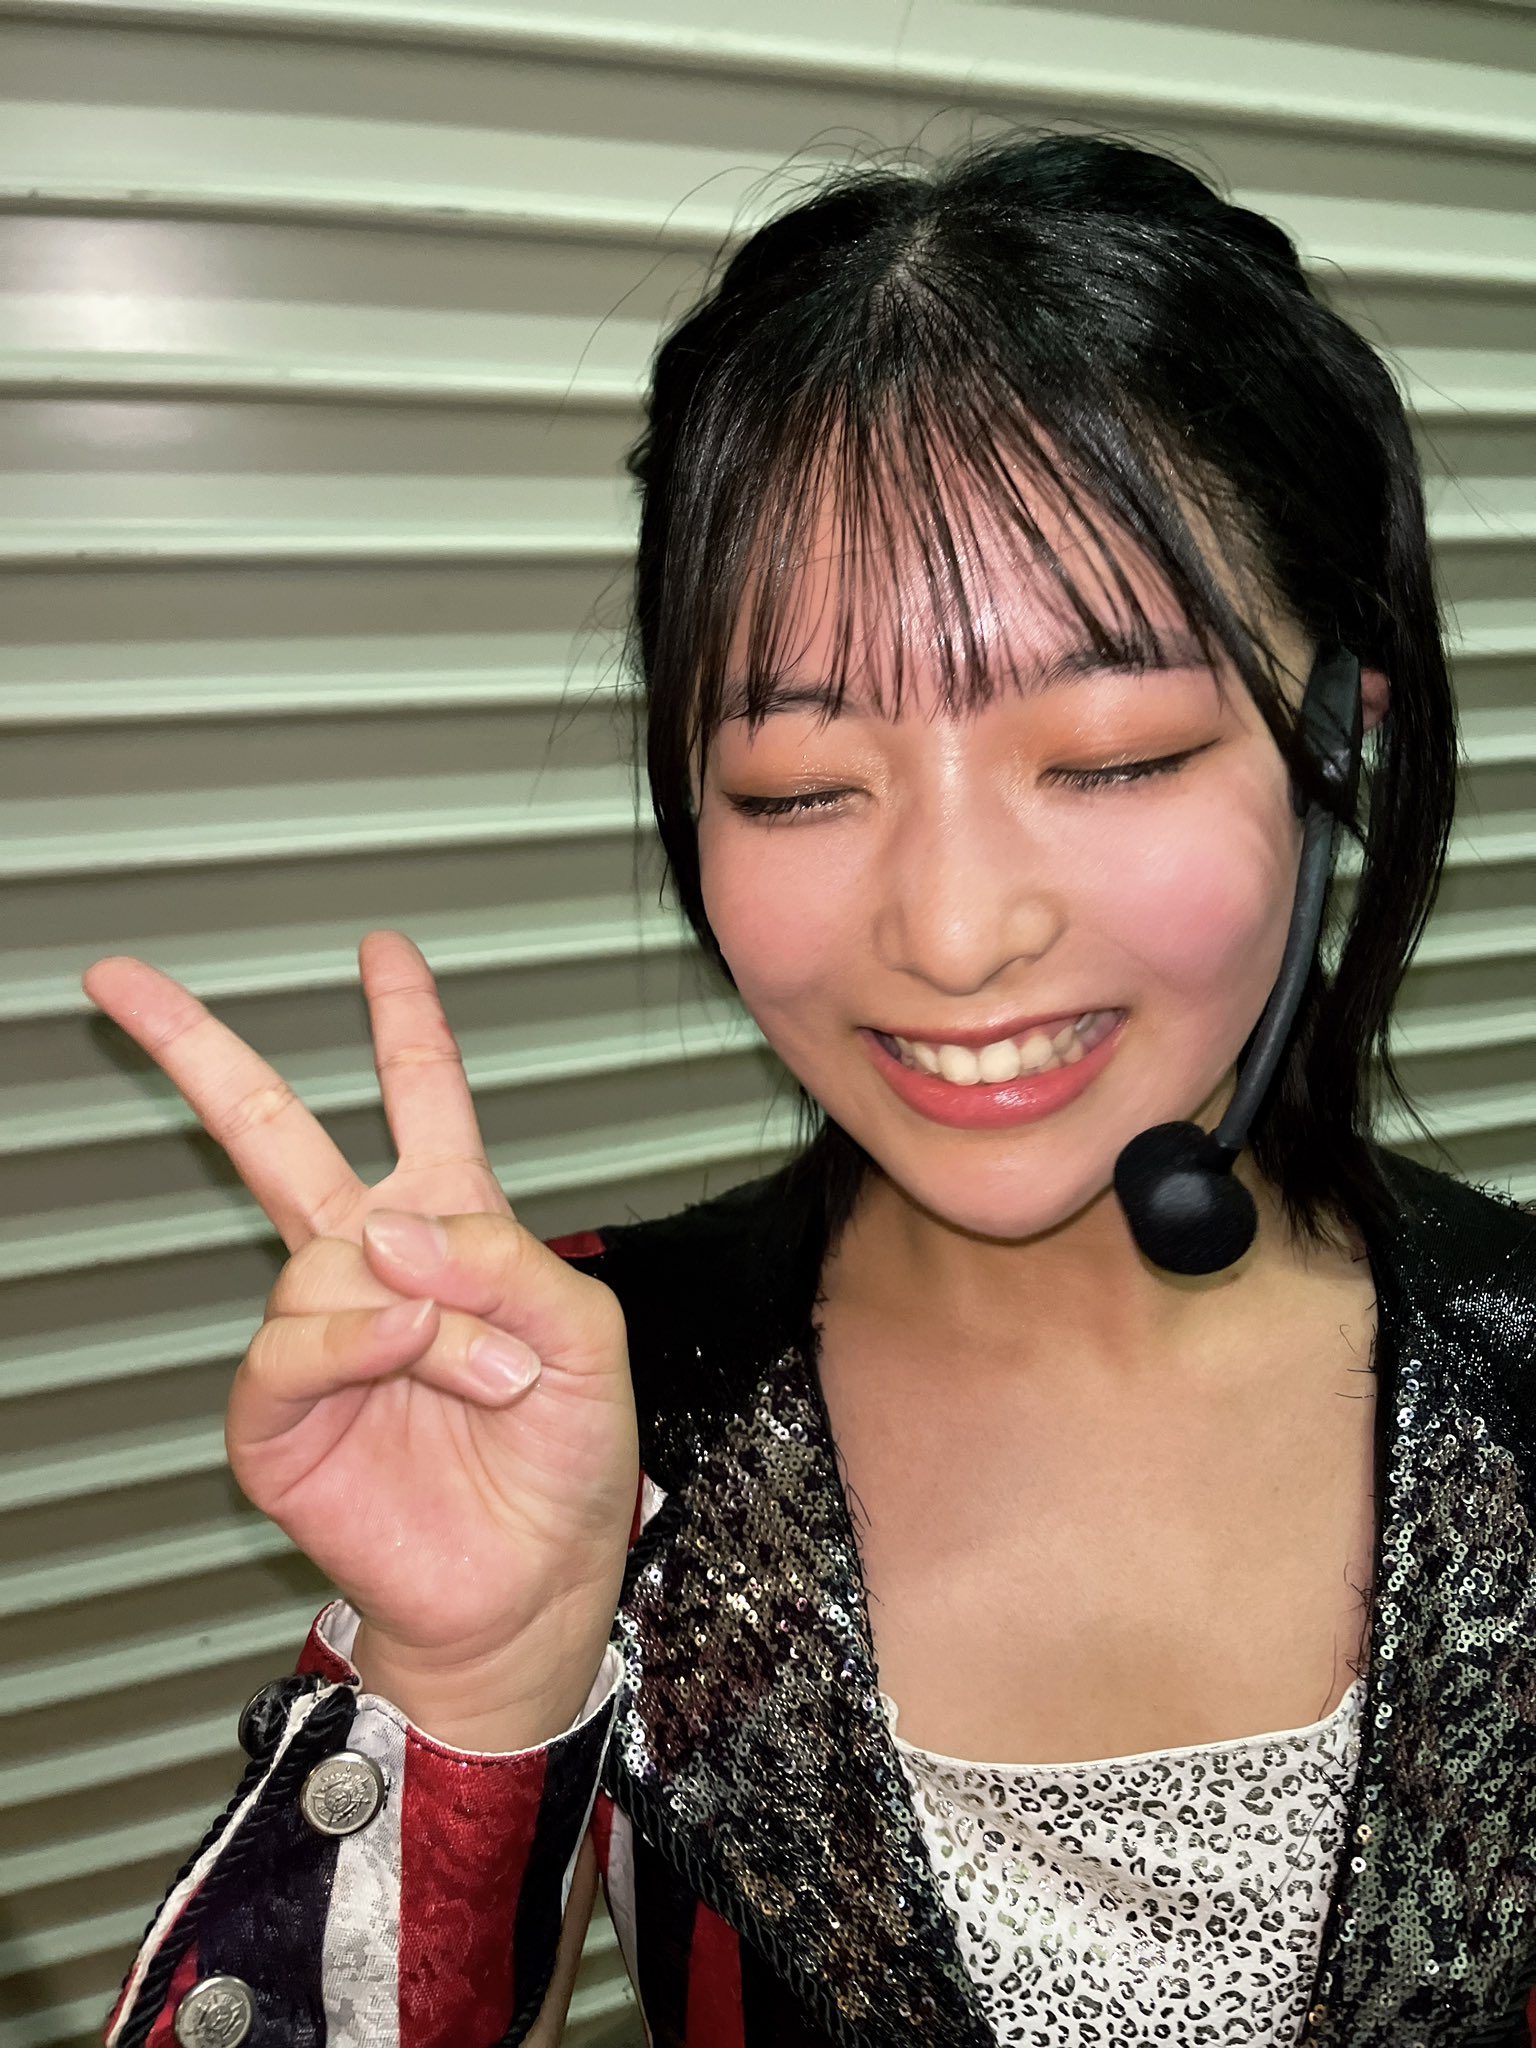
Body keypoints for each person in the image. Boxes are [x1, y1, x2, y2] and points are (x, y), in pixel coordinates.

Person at [89, 131, 1536, 2048]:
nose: (951, 932)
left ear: (1336, 741)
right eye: (797, 786)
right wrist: (475, 1682)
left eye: (1109, 754)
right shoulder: (572, 1410)